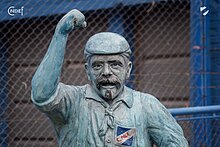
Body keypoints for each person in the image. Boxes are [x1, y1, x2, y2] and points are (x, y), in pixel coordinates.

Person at [31, 9, 188, 147]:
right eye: (98, 65)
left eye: (115, 65)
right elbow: (42, 95)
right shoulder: (72, 101)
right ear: (88, 70)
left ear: (128, 69)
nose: (106, 72)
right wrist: (60, 34)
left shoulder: (147, 106)